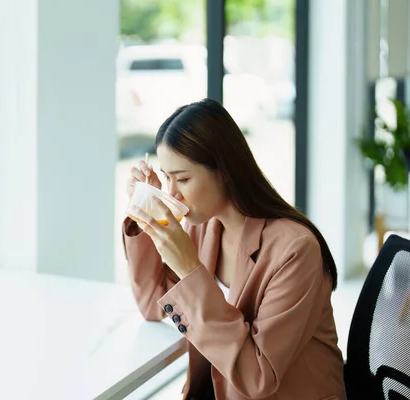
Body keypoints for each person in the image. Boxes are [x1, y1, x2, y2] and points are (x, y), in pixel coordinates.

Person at [122, 99, 346, 400]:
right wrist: (144, 212)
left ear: (224, 170)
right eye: (166, 178)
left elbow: (258, 378)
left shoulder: (295, 250)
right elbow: (152, 302)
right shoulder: (204, 227)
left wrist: (190, 269)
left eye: (183, 179)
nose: (171, 193)